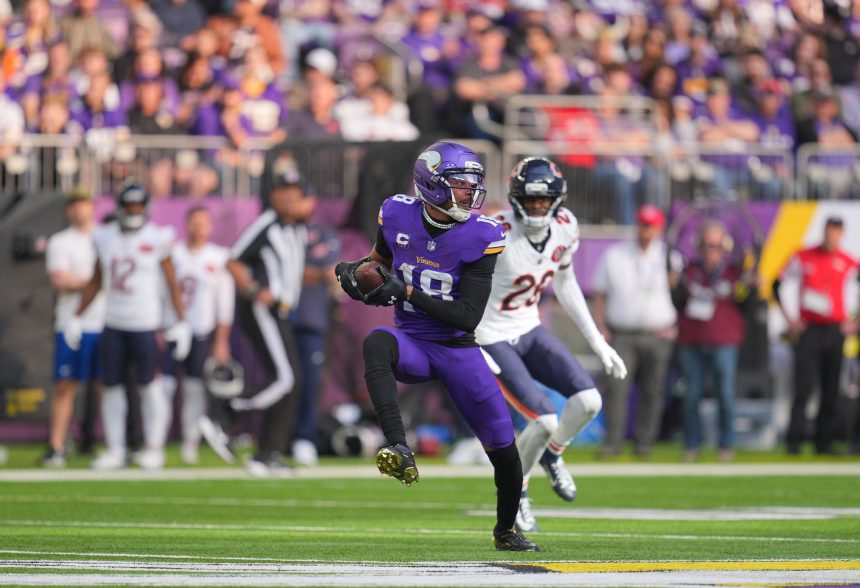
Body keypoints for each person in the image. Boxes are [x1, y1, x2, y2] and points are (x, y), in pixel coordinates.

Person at [335, 141, 539, 552]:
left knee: (504, 450)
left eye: (473, 186)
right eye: (461, 185)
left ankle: (506, 530)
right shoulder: (395, 212)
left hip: (458, 348)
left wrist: (406, 289)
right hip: (412, 341)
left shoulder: (483, 235)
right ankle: (397, 444)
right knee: (376, 342)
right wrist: (357, 274)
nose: (471, 194)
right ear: (431, 185)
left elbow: (467, 316)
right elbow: (378, 261)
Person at [475, 157, 627, 533]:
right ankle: (519, 489)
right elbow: (462, 284)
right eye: (531, 200)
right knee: (542, 420)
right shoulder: (496, 233)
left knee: (589, 402)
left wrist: (596, 340)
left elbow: (566, 281)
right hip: (492, 336)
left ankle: (553, 455)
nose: (538, 207)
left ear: (557, 200)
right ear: (516, 199)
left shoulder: (565, 227)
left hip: (528, 327)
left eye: (544, 200)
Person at [63, 182, 192, 470]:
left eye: (138, 205)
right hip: (113, 323)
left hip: (146, 323)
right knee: (111, 388)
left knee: (149, 387)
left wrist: (181, 321)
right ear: (120, 208)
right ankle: (116, 449)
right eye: (129, 206)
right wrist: (77, 315)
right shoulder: (104, 236)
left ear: (146, 207)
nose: (133, 211)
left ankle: (154, 447)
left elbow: (172, 283)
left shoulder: (159, 237)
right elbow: (96, 280)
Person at [215, 171, 308, 476]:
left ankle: (268, 453)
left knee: (291, 384)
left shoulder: (298, 230)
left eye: (295, 192)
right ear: (273, 196)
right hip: (261, 309)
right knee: (284, 379)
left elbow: (291, 272)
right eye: (284, 192)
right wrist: (255, 290)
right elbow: (233, 260)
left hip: (283, 312)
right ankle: (227, 412)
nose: (290, 198)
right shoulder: (267, 224)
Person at [591, 204, 677, 458]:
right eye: (642, 224)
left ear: (659, 228)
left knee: (653, 390)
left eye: (651, 225)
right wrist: (601, 326)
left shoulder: (669, 255)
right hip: (622, 332)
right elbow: (600, 293)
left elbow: (683, 294)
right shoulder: (615, 254)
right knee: (617, 389)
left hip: (658, 332)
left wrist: (676, 325)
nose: (646, 230)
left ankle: (644, 442)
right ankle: (613, 442)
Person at [775, 217, 859, 455]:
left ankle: (824, 443)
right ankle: (794, 441)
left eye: (835, 233)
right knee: (803, 387)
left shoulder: (848, 261)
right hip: (809, 329)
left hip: (834, 329)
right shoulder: (803, 256)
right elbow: (775, 284)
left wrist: (855, 323)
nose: (830, 237)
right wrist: (790, 319)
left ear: (841, 234)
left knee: (830, 389)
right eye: (827, 232)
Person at [672, 221, 755, 462]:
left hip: (724, 340)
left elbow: (746, 306)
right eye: (708, 245)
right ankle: (691, 445)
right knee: (691, 396)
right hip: (692, 341)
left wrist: (751, 287)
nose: (712, 250)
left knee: (726, 394)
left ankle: (726, 444)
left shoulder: (734, 273)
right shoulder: (688, 272)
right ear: (699, 246)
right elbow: (678, 302)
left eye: (717, 245)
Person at [160, 206, 235, 465]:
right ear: (186, 224)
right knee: (163, 387)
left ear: (210, 227)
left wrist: (221, 340)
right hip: (172, 327)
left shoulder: (218, 256)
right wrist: (160, 325)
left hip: (201, 331)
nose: (198, 228)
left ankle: (189, 443)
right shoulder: (174, 255)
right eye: (194, 222)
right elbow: (162, 291)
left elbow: (224, 303)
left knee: (194, 389)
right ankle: (155, 442)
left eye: (204, 223)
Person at [42, 187, 106, 467]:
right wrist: (95, 282)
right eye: (75, 204)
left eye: (85, 203)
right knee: (65, 385)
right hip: (72, 323)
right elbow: (61, 281)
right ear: (69, 210)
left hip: (105, 322)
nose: (80, 209)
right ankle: (57, 445)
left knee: (108, 386)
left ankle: (115, 444)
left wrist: (86, 282)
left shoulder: (104, 237)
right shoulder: (60, 241)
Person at [290, 200, 341, 467]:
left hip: (313, 317)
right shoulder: (280, 231)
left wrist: (315, 274)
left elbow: (332, 272)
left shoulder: (324, 232)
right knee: (285, 382)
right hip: (282, 318)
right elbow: (288, 273)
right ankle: (281, 438)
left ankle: (304, 437)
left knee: (310, 383)